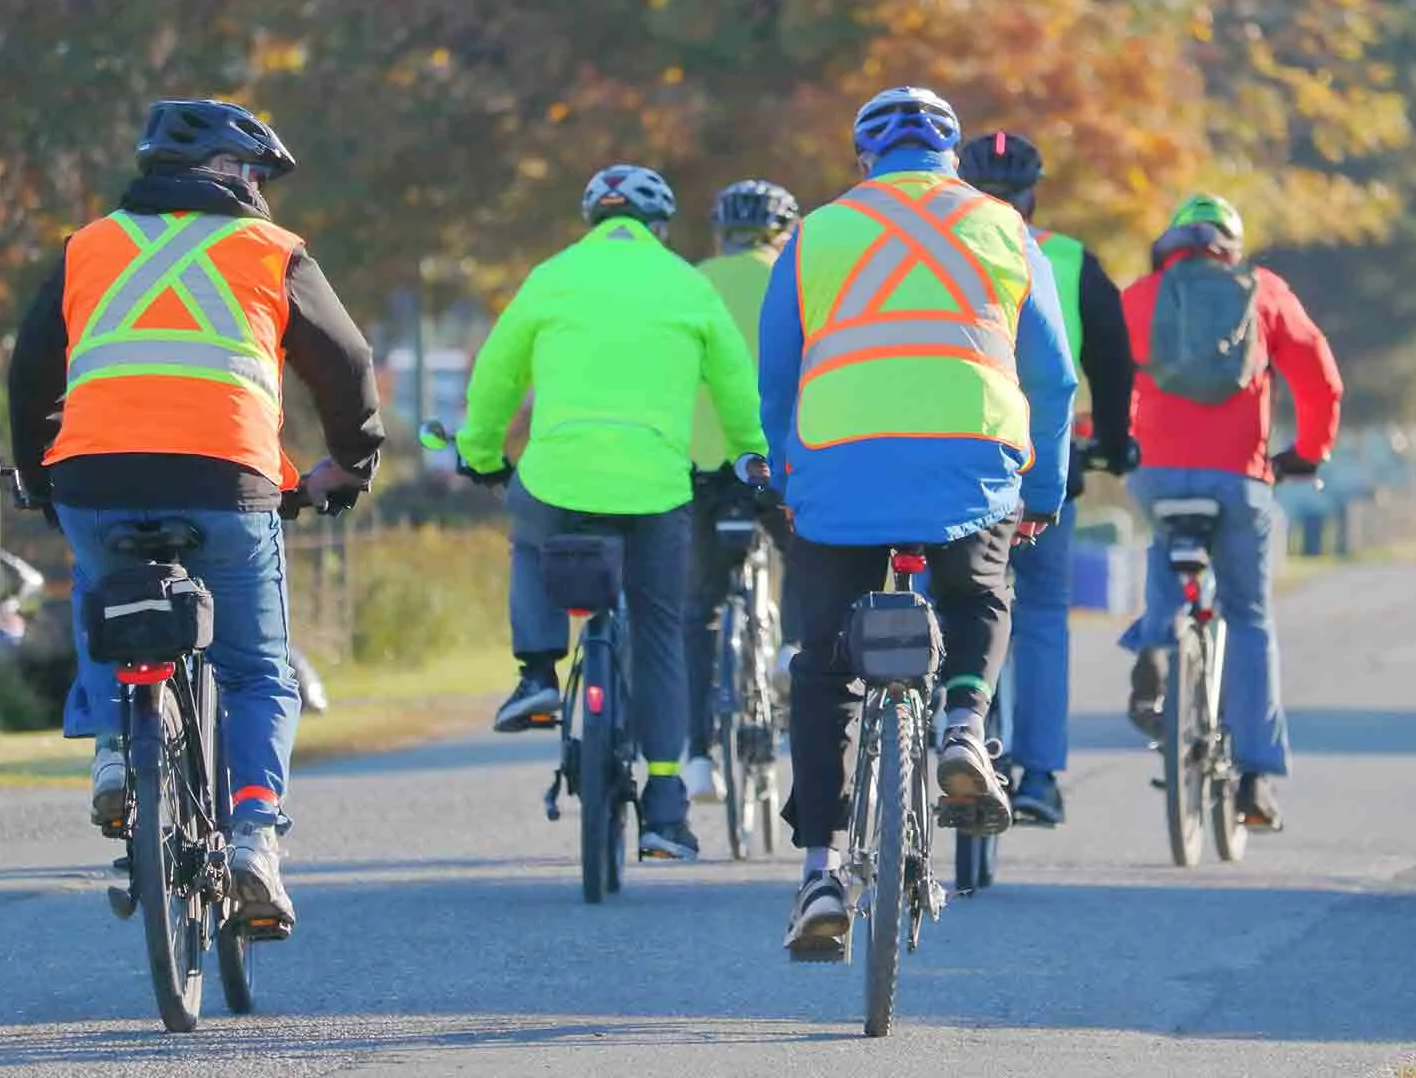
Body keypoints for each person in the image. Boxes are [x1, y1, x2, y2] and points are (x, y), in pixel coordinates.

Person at [8, 99, 385, 932]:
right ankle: (253, 832)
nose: (262, 191)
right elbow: (347, 361)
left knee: (101, 609)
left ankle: (114, 753)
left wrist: (39, 474)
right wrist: (350, 463)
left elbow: (33, 370)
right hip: (228, 482)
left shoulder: (87, 248)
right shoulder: (270, 251)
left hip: (94, 478)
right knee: (256, 670)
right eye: (256, 174)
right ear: (226, 172)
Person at [758, 86, 1076, 953]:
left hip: (838, 463)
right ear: (952, 156)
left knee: (824, 668)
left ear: (863, 162)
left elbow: (778, 376)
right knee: (979, 589)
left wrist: (789, 472)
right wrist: (1042, 492)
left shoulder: (814, 234)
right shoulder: (1007, 229)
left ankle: (820, 869)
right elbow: (1051, 378)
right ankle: (964, 724)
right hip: (969, 455)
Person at [454, 163, 770, 862]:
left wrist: (480, 454)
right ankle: (664, 805)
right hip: (657, 485)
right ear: (660, 228)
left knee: (530, 528)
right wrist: (752, 456)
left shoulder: (550, 277)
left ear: (591, 220)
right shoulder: (689, 283)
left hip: (560, 475)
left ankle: (537, 674)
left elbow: (497, 375)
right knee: (659, 629)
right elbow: (736, 388)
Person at [1120, 193, 1342, 832]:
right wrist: (1307, 451)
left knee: (1167, 539)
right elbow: (1321, 377)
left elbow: (1106, 373)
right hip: (1239, 477)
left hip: (1158, 475)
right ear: (1231, 246)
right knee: (1248, 617)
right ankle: (1254, 779)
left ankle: (1157, 643)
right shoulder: (1264, 291)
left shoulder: (1141, 295)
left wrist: (1110, 438)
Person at [957, 131, 1138, 826]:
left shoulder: (933, 251)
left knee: (955, 601)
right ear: (1034, 193)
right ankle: (1038, 775)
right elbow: (1113, 363)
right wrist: (1116, 446)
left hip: (959, 458)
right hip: (1041, 464)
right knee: (1037, 615)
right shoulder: (1068, 259)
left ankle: (956, 734)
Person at [684, 179, 800, 803]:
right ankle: (791, 652)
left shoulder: (691, 280)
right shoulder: (798, 278)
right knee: (808, 555)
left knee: (697, 608)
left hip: (699, 466)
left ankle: (698, 758)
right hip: (779, 461)